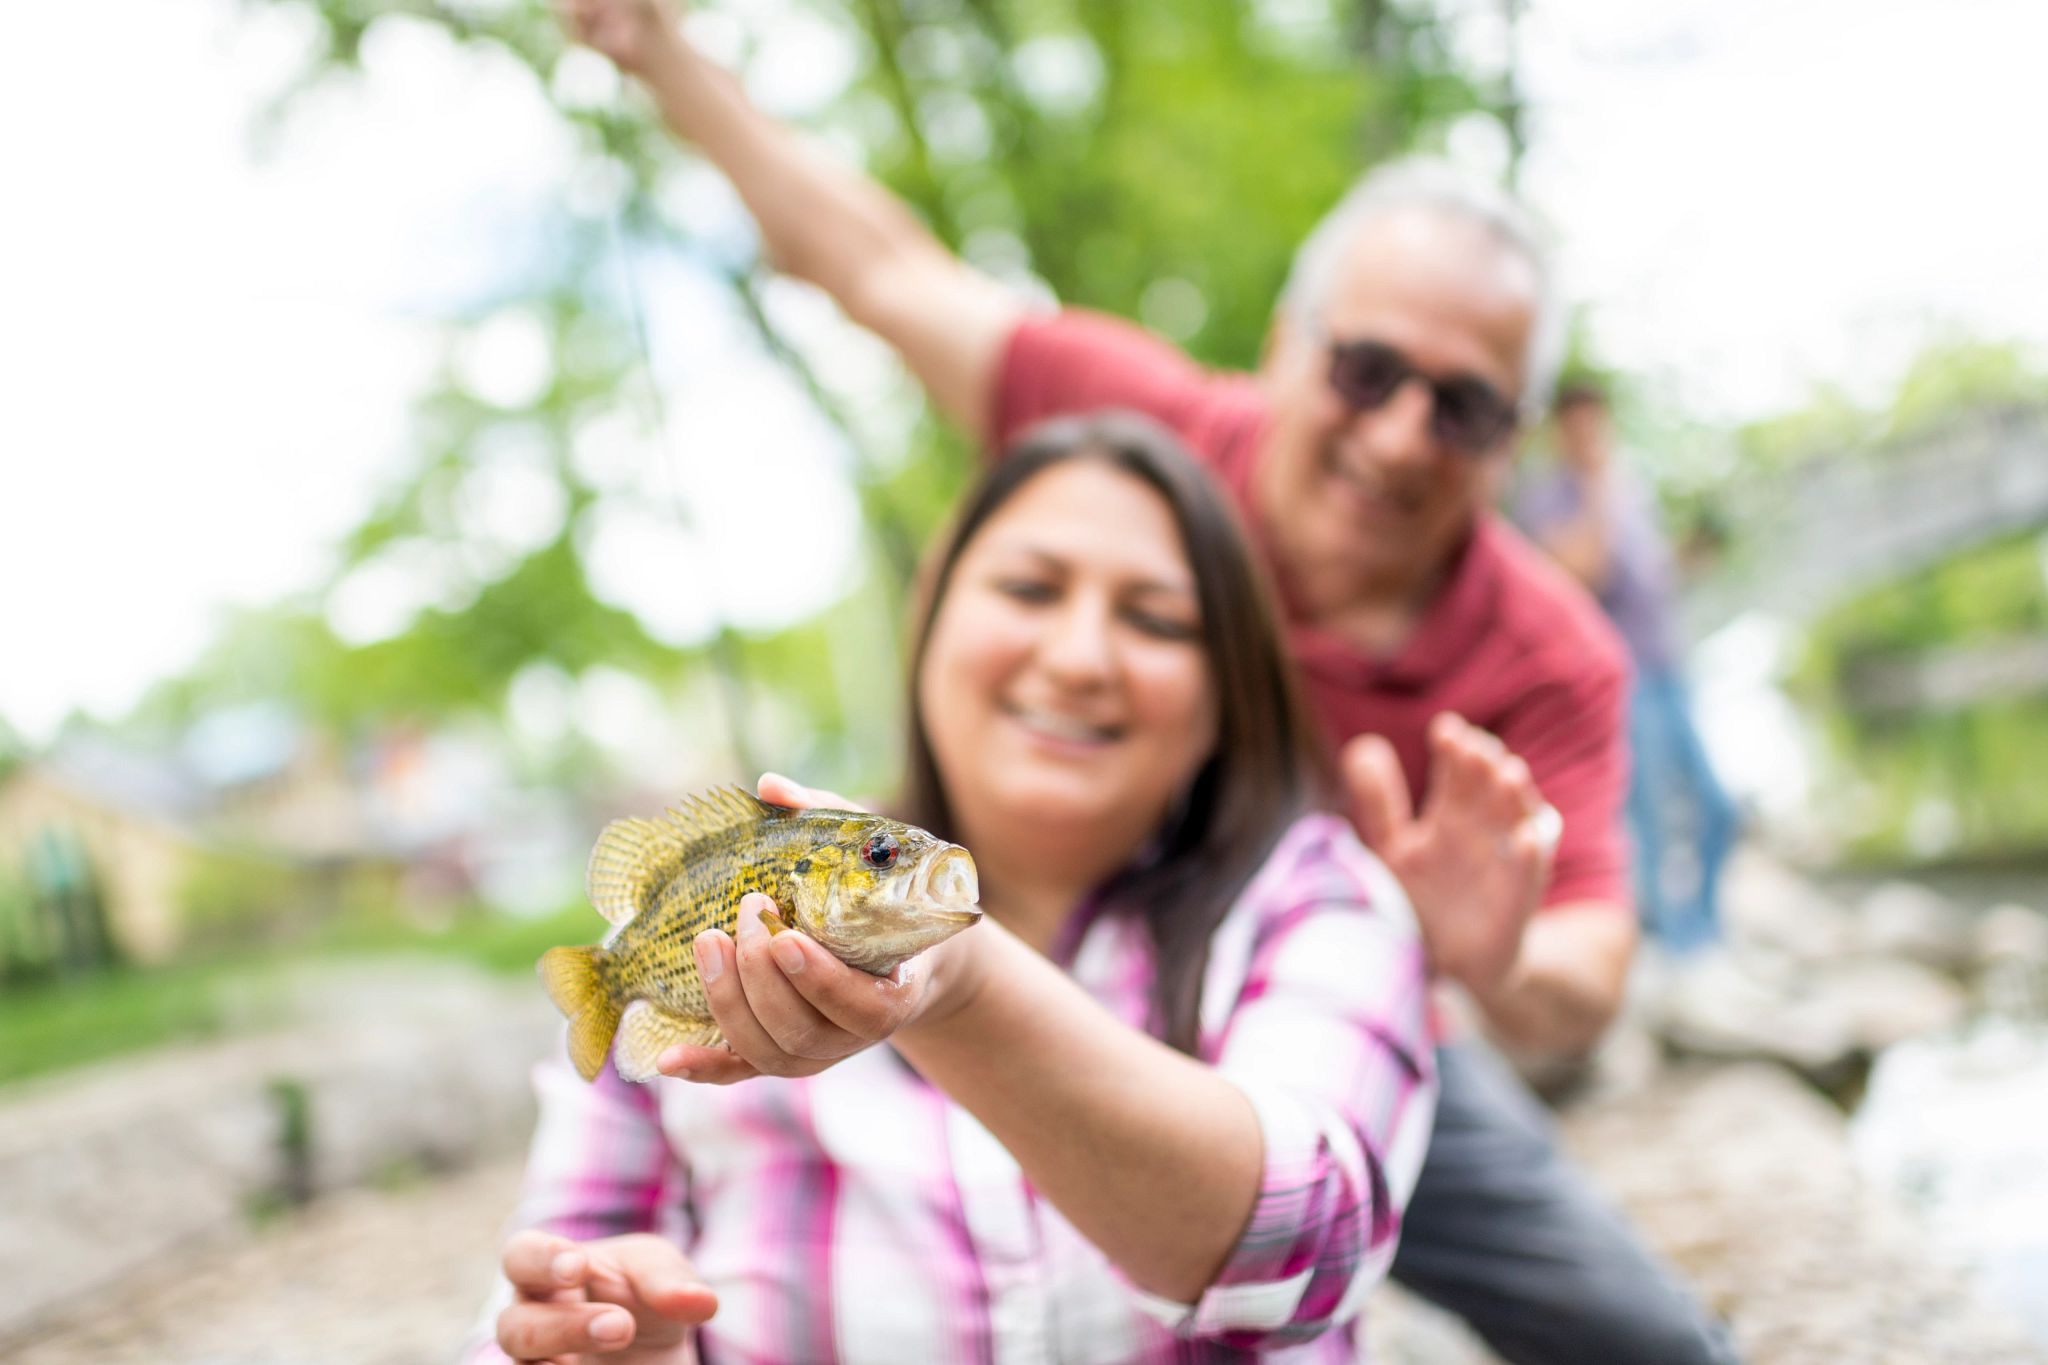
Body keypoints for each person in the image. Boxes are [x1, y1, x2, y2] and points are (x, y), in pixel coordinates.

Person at [565, 6, 1740, 1361]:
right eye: (1366, 370)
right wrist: (661, 54)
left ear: (1509, 440)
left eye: (1462, 406)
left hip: (1335, 997)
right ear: (1290, 347)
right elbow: (879, 267)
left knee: (1654, 1342)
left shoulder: (1552, 652)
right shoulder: (1141, 436)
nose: (1399, 434)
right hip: (1046, 952)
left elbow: (1589, 970)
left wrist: (1488, 951)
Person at [468, 415, 1438, 1363]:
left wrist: (966, 983)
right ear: (928, 616)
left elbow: (1314, 1245)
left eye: (1154, 619)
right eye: (1028, 588)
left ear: (1228, 689)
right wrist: (601, 1342)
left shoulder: (1317, 903)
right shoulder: (654, 977)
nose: (1076, 658)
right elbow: (540, 1294)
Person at [1516, 381, 1740, 953]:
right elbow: (1582, 572)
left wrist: (1693, 554)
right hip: (1621, 679)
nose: (1592, 437)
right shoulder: (1552, 498)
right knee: (1651, 823)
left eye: (1598, 424)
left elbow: (1654, 579)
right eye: (1579, 426)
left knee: (1718, 807)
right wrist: (1594, 488)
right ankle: (1673, 950)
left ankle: (1703, 935)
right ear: (1561, 432)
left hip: (1670, 669)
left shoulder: (1630, 487)